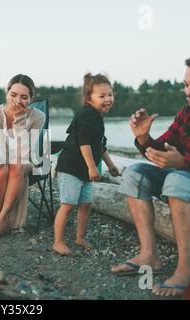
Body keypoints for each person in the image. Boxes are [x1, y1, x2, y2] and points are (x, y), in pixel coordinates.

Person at [112, 49, 190, 297]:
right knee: (134, 173)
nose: (188, 91)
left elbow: (184, 166)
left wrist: (184, 164)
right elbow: (162, 150)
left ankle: (186, 269)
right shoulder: (189, 112)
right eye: (185, 84)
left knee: (177, 178)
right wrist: (143, 137)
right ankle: (149, 255)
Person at [52, 73, 120, 255]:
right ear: (89, 98)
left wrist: (111, 165)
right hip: (71, 169)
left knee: (86, 204)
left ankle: (79, 237)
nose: (108, 99)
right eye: (102, 96)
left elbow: (100, 145)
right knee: (68, 204)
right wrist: (92, 167)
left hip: (83, 171)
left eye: (110, 95)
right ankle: (58, 242)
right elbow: (84, 142)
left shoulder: (97, 117)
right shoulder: (88, 115)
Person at [0, 74, 45, 240]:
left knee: (16, 165)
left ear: (31, 99)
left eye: (24, 97)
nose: (17, 100)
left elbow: (25, 153)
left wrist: (19, 121)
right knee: (0, 169)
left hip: (27, 160)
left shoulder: (38, 117)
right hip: (1, 156)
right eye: (13, 95)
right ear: (7, 93)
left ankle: (1, 219)